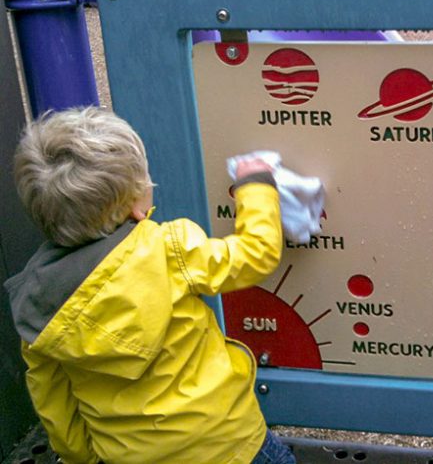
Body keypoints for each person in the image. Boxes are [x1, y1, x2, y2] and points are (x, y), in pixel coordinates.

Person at [4, 107, 296, 464]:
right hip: (229, 443)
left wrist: (82, 455)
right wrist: (256, 186)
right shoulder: (167, 251)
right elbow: (256, 255)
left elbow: (54, 402)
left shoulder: (38, 308)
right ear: (136, 211)